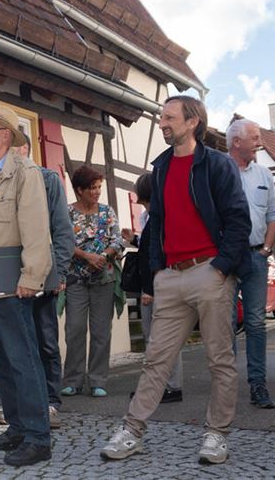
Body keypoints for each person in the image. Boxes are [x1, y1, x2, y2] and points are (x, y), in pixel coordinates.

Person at [101, 95, 250, 465]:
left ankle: (217, 435)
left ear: (192, 121)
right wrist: (156, 273)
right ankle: (132, 430)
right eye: (161, 117)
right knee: (156, 360)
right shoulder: (162, 167)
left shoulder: (217, 165)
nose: (162, 123)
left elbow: (237, 219)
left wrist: (221, 267)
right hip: (171, 277)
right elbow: (158, 226)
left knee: (220, 360)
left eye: (169, 117)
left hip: (209, 273)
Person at [0, 105, 53, 468]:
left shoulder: (25, 171)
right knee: (2, 356)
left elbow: (35, 229)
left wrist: (31, 277)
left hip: (11, 277)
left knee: (23, 357)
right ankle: (17, 427)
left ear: (6, 135)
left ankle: (38, 437)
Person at [226, 119, 275, 409]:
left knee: (257, 323)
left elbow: (274, 214)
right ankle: (226, 386)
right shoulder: (218, 170)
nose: (260, 142)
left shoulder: (264, 174)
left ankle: (258, 384)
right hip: (226, 258)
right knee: (225, 323)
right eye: (255, 137)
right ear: (237, 142)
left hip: (257, 255)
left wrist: (267, 248)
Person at [19, 142, 75, 428]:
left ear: (27, 148)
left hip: (43, 275)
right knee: (17, 344)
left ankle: (51, 402)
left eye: (16, 146)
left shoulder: (47, 179)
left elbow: (63, 231)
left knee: (46, 342)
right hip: (11, 276)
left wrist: (59, 273)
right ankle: (24, 404)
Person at [60, 165, 122, 398]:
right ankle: (73, 381)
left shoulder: (107, 212)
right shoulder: (67, 213)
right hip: (76, 280)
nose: (96, 192)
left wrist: (104, 256)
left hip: (103, 280)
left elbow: (117, 241)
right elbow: (63, 241)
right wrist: (87, 256)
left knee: (101, 332)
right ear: (79, 190)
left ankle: (98, 380)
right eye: (92, 188)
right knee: (74, 329)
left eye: (99, 187)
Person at [124, 173, 184, 404]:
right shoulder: (150, 217)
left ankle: (167, 387)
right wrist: (136, 240)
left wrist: (149, 290)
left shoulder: (156, 218)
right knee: (159, 339)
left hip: (157, 288)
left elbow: (156, 255)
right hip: (157, 286)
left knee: (159, 339)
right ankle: (162, 386)